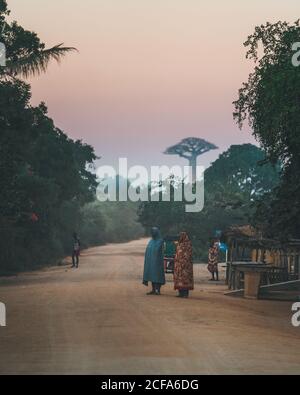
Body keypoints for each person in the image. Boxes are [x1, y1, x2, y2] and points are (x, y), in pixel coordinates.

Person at [143, 227, 165, 295]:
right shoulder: (151, 241)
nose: (153, 233)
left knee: (158, 276)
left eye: (154, 232)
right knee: (152, 275)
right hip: (151, 262)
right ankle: (153, 290)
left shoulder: (160, 241)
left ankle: (158, 290)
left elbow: (160, 251)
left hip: (158, 262)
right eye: (152, 232)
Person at [174, 232, 194, 298]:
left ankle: (185, 294)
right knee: (180, 280)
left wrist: (183, 261)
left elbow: (188, 255)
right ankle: (180, 293)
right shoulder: (179, 244)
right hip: (179, 265)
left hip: (186, 266)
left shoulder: (188, 245)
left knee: (185, 279)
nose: (180, 237)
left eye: (181, 236)